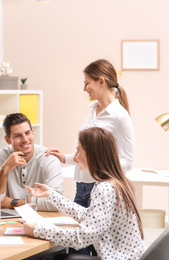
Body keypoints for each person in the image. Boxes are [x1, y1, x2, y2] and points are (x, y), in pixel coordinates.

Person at [45, 59, 134, 254]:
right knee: (76, 250)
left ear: (101, 81)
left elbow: (128, 161)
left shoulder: (120, 117)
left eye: (87, 83)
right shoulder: (91, 109)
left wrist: (98, 166)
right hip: (81, 187)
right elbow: (90, 151)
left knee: (93, 247)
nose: (85, 88)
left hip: (100, 188)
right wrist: (67, 158)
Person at [24, 127, 146, 260]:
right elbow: (89, 216)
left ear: (92, 155)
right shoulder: (118, 183)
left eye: (78, 151)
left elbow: (81, 237)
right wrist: (51, 195)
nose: (75, 158)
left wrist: (38, 230)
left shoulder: (104, 188)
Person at [0, 113, 63, 211]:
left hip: (42, 218)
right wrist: (4, 169)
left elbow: (56, 203)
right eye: (17, 136)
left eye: (27, 133)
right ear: (8, 140)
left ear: (32, 133)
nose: (25, 139)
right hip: (9, 219)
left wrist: (13, 202)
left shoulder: (49, 159)